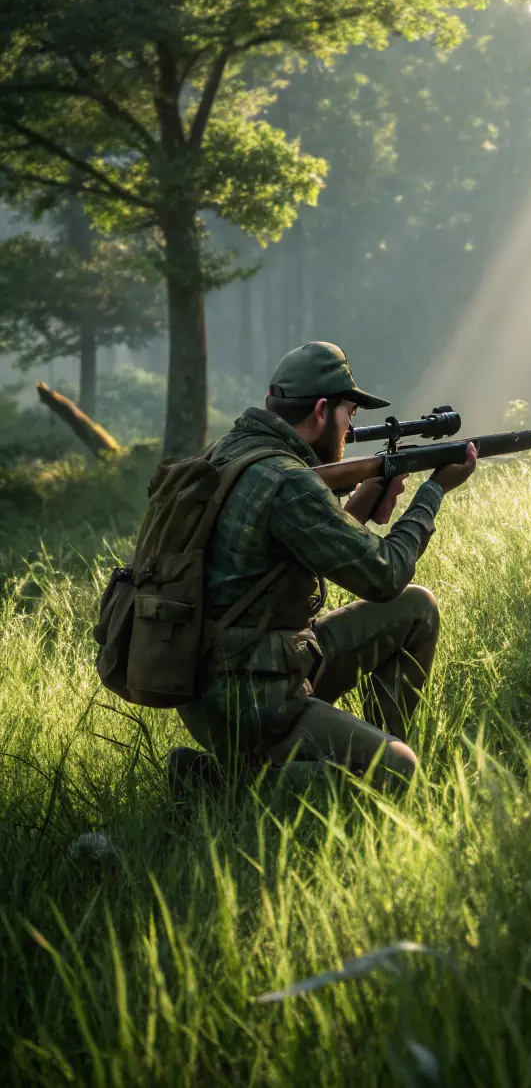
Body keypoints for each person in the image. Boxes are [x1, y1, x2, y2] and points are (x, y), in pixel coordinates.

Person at [169, 340, 476, 793]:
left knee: (416, 609)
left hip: (216, 680)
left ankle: (367, 746)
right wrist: (435, 492)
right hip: (255, 700)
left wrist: (360, 501)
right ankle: (224, 785)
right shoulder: (289, 481)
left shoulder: (232, 453)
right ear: (319, 411)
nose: (351, 428)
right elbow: (384, 575)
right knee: (399, 771)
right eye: (349, 413)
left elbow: (283, 553)